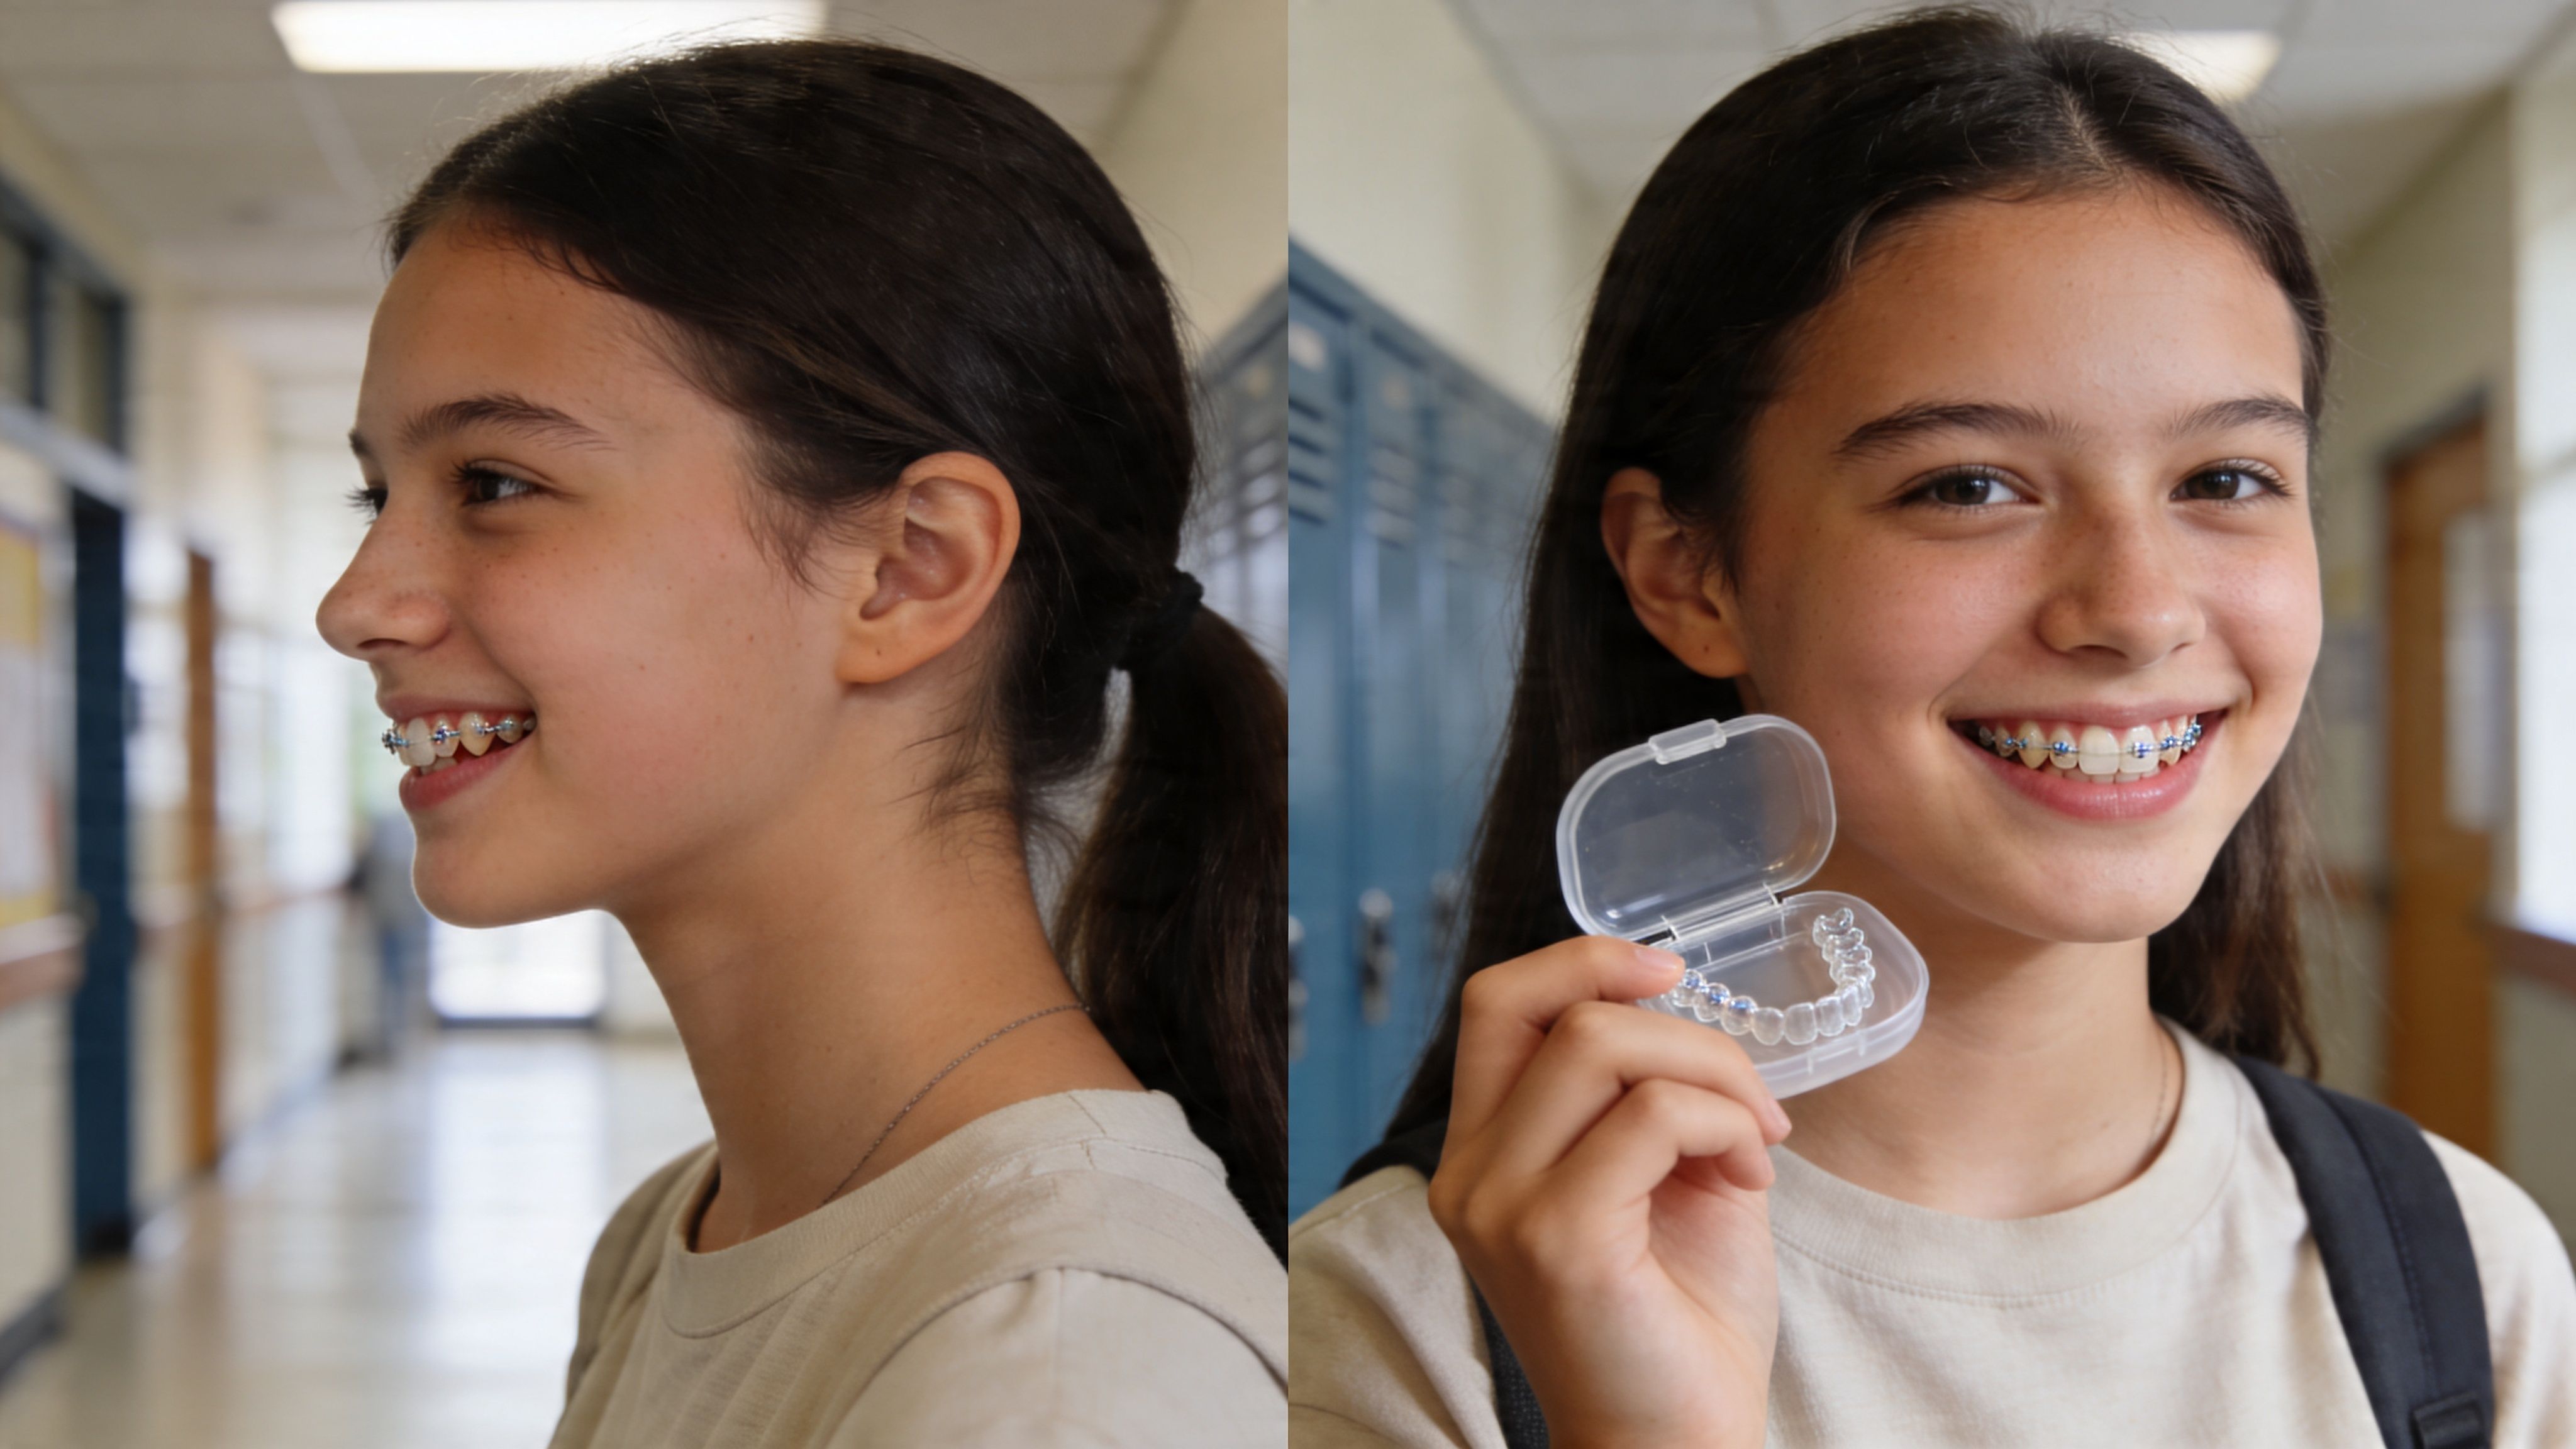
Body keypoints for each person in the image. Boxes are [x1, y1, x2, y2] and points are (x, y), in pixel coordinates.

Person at [1287, 9, 2575, 1446]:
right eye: (1966, 486)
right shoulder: (1413, 1320)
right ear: (1683, 572)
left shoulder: (2464, 1277)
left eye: (2223, 474)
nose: (2135, 610)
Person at [316, 40, 1285, 1447]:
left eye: (496, 483)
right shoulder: (683, 1234)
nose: (357, 606)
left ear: (907, 568)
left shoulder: (1057, 1367)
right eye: (375, 496)